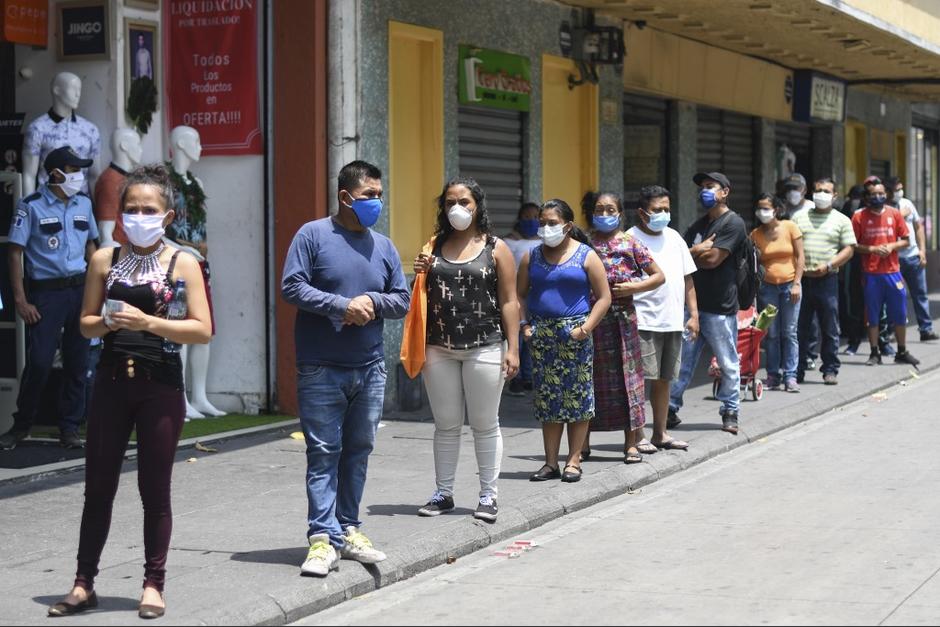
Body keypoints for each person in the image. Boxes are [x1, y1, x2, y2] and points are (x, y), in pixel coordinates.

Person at [47, 164, 212, 619]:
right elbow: (83, 324)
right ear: (120, 214)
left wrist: (148, 323)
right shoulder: (105, 258)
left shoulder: (183, 263)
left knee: (154, 491)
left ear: (168, 215)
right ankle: (83, 584)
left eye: (149, 209)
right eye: (132, 209)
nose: (139, 216)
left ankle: (153, 584)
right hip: (112, 383)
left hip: (159, 386)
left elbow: (201, 330)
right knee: (97, 489)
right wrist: (105, 322)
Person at [281, 160, 410, 577]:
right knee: (323, 453)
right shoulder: (313, 235)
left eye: (378, 194)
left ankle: (349, 528)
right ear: (345, 196)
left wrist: (371, 303)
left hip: (369, 368)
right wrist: (341, 305)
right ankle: (322, 538)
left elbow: (402, 299)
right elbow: (292, 286)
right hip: (320, 367)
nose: (376, 202)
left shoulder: (384, 246)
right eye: (369, 195)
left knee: (358, 452)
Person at [411, 177, 520, 522]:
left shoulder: (496, 247)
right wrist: (418, 273)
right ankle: (443, 493)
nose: (457, 208)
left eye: (465, 202)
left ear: (478, 206)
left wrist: (513, 348)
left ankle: (488, 495)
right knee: (445, 424)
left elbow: (509, 301)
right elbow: (420, 295)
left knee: (485, 423)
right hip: (438, 347)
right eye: (450, 202)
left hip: (485, 345)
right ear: (442, 208)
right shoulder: (432, 245)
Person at [1, 147, 98, 451]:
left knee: (77, 363)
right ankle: (22, 425)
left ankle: (69, 428)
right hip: (45, 293)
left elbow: (92, 247)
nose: (78, 176)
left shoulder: (84, 203)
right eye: (73, 170)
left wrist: (97, 291)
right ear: (56, 174)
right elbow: (14, 253)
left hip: (79, 291)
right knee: (40, 362)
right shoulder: (30, 206)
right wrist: (20, 300)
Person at [518, 199, 611, 483]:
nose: (545, 228)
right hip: (542, 334)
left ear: (568, 226)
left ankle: (574, 460)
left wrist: (585, 328)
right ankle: (550, 462)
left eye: (552, 223)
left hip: (575, 333)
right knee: (548, 400)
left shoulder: (586, 255)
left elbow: (604, 297)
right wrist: (525, 324)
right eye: (542, 223)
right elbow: (519, 295)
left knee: (578, 398)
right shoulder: (530, 257)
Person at [581, 192, 664, 464]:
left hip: (623, 322)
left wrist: (633, 287)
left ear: (619, 213)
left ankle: (631, 444)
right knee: (588, 380)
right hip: (591, 321)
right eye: (599, 209)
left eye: (610, 209)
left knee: (629, 382)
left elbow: (658, 276)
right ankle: (582, 444)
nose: (604, 214)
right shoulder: (584, 243)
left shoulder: (630, 243)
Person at [669, 172, 747, 435]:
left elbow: (714, 260)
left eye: (710, 187)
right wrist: (695, 251)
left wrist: (695, 255)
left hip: (720, 308)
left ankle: (730, 410)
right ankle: (669, 408)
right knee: (682, 362)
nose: (704, 191)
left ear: (725, 192)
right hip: (692, 307)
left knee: (727, 362)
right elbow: (679, 256)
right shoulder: (699, 225)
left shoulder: (733, 223)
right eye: (702, 187)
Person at [628, 185, 698, 449]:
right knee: (637, 381)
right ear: (642, 213)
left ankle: (660, 433)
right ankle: (637, 436)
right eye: (657, 210)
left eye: (666, 209)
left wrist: (693, 315)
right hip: (641, 320)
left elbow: (687, 278)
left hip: (672, 320)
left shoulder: (675, 238)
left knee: (664, 379)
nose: (663, 214)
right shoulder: (629, 239)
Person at [793, 177, 857, 385]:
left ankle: (830, 369)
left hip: (827, 280)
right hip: (802, 280)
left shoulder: (841, 220)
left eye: (826, 191)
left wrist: (829, 265)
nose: (821, 194)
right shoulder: (798, 217)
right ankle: (798, 369)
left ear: (835, 196)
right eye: (818, 190)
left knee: (829, 327)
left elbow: (849, 249)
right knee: (800, 327)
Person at [851, 178, 920, 368]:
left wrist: (891, 246)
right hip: (871, 273)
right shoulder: (858, 217)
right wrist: (872, 250)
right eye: (873, 194)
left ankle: (902, 351)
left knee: (899, 313)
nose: (878, 197)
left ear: (886, 195)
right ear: (867, 197)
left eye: (881, 193)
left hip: (893, 272)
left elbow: (906, 240)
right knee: (872, 315)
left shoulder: (894, 214)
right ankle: (875, 352)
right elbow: (852, 245)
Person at [751, 193, 804, 392]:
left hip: (790, 285)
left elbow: (800, 257)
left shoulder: (790, 227)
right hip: (767, 288)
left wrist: (797, 283)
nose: (762, 212)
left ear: (776, 210)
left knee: (789, 332)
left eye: (766, 208)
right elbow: (754, 263)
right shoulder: (755, 234)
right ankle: (773, 374)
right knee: (771, 334)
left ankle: (790, 376)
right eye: (759, 208)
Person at [887, 176, 938, 341]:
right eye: (896, 190)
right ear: (888, 192)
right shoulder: (885, 208)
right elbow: (885, 227)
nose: (899, 192)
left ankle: (926, 329)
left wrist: (922, 250)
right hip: (894, 259)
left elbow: (918, 226)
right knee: (895, 295)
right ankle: (893, 330)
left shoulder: (907, 203)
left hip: (913, 257)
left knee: (920, 294)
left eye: (900, 188)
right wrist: (899, 215)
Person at [503, 202, 541, 395]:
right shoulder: (509, 242)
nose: (532, 221)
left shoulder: (542, 241)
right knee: (516, 335)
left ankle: (528, 376)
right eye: (527, 217)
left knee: (530, 338)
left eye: (536, 217)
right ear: (519, 219)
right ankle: (515, 378)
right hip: (515, 295)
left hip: (535, 296)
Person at [839, 184, 867, 355]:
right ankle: (853, 337)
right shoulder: (848, 211)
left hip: (876, 265)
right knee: (852, 301)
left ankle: (881, 340)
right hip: (851, 262)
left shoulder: (872, 213)